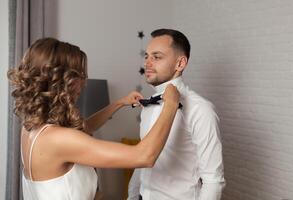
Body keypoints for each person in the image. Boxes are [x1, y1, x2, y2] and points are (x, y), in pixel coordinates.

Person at [7, 37, 181, 200]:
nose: (84, 82)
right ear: (62, 81)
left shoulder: (33, 128)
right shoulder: (60, 139)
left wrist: (119, 103)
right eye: (79, 75)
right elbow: (144, 156)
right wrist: (171, 105)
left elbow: (84, 127)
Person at [127, 29, 225, 200]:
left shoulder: (200, 109)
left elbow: (213, 180)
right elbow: (142, 158)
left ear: (180, 63)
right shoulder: (148, 104)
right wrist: (132, 195)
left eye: (156, 57)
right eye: (146, 56)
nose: (148, 63)